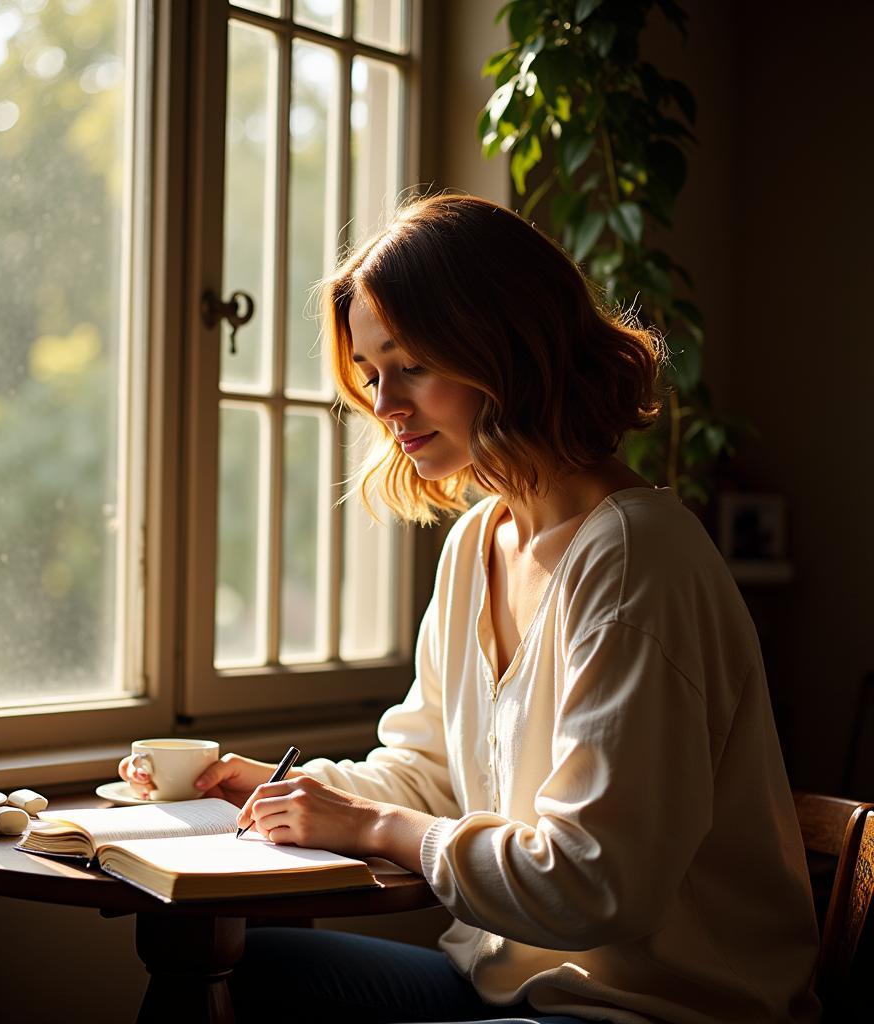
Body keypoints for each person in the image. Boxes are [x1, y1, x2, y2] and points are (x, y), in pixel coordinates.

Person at [119, 194, 821, 1024]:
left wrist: (373, 827)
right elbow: (431, 775)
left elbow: (597, 881)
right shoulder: (479, 541)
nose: (385, 407)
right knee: (241, 973)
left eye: (409, 365)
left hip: (649, 1013)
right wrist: (271, 787)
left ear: (506, 350)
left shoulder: (636, 561)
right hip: (507, 986)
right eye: (373, 375)